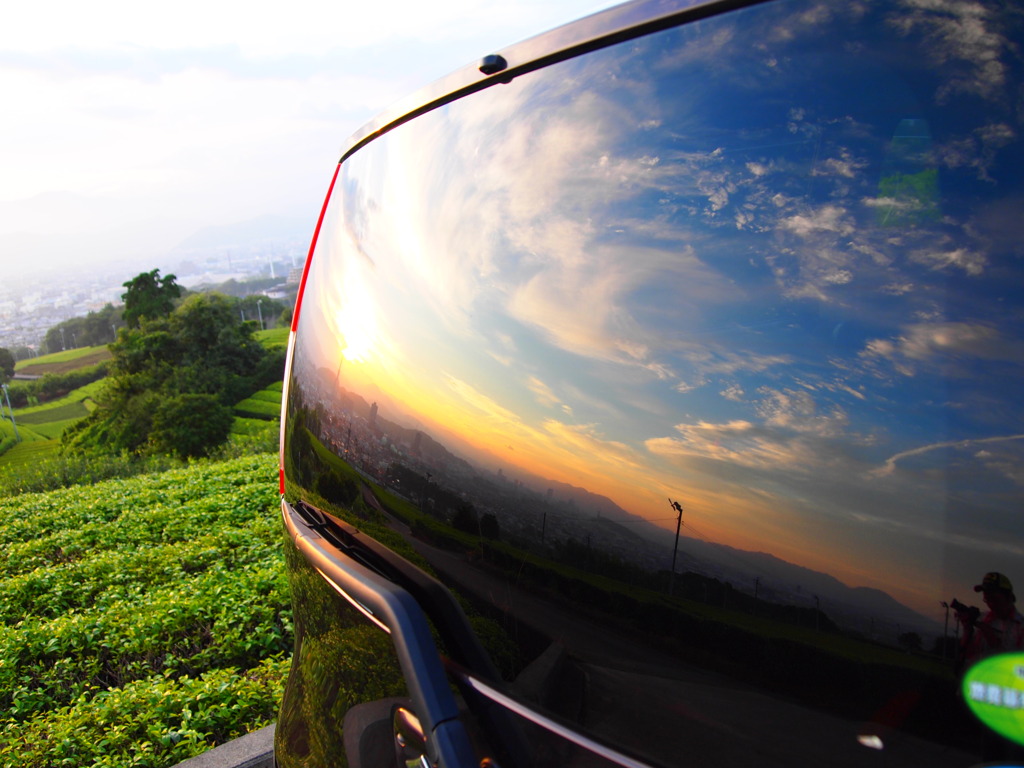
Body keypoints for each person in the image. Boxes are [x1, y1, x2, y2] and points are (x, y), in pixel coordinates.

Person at [958, 572, 1024, 667]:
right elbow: (968, 655)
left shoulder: (1021, 628)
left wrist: (993, 640)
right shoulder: (982, 618)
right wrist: (967, 629)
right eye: (987, 599)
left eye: (995, 599)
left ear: (1009, 597)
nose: (990, 604)